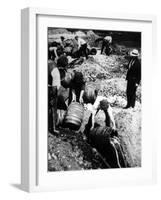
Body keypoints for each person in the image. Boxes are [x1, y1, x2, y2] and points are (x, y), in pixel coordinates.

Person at [48, 60, 61, 134]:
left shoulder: (48, 62)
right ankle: (53, 129)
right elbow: (55, 87)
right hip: (50, 89)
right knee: (53, 108)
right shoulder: (55, 69)